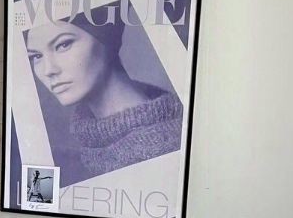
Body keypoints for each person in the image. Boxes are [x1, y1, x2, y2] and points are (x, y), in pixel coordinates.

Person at [25, 12, 183, 176]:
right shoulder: (64, 158)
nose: (48, 70)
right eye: (36, 56)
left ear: (107, 40)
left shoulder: (170, 145)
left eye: (63, 45)